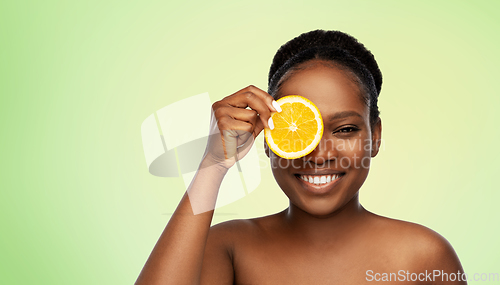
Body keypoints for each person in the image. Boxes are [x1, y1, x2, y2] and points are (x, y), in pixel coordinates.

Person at [136, 30, 466, 284]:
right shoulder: (230, 247)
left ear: (374, 136)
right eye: (298, 131)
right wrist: (213, 165)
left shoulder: (424, 256)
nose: (319, 154)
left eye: (345, 129)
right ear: (268, 138)